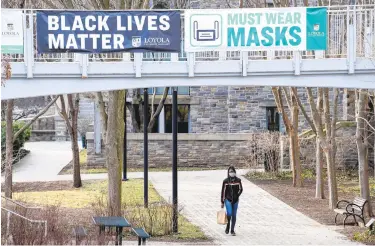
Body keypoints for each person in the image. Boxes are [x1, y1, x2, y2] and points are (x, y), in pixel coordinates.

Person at [221, 166, 243, 236]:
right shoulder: (226, 181)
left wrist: (237, 195)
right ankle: (228, 226)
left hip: (236, 200)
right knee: (229, 213)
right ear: (228, 173)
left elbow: (241, 189)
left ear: (235, 172)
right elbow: (223, 192)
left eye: (233, 171)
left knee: (234, 215)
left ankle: (232, 230)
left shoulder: (238, 180)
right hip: (228, 199)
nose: (231, 173)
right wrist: (222, 201)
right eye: (230, 172)